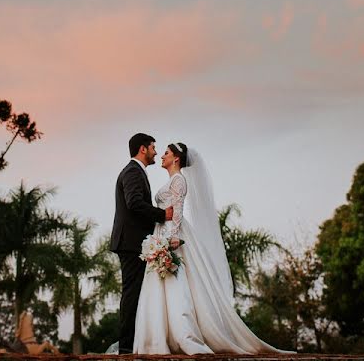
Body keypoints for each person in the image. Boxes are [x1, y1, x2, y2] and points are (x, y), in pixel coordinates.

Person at [133, 142, 292, 355]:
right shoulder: (172, 180)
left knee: (176, 283)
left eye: (167, 153)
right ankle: (158, 337)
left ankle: (183, 334)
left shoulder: (179, 180)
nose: (162, 156)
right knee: (161, 283)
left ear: (176, 158)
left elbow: (178, 210)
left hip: (171, 234)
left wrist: (171, 239)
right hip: (161, 231)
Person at [110, 133, 174, 354]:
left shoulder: (136, 172)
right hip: (130, 243)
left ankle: (133, 343)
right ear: (142, 149)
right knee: (132, 293)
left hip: (133, 241)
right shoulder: (132, 172)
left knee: (135, 292)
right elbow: (134, 203)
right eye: (153, 147)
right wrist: (162, 214)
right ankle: (127, 348)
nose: (156, 151)